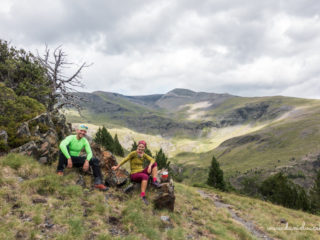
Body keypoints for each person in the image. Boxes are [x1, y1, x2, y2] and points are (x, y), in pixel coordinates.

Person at [57, 124, 108, 191]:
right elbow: (62, 145)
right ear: (77, 130)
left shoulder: (84, 140)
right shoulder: (71, 137)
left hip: (75, 160)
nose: (83, 133)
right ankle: (60, 171)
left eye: (84, 131)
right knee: (64, 149)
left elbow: (90, 153)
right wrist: (69, 158)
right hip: (66, 159)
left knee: (95, 160)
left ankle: (98, 183)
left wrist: (87, 161)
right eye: (81, 130)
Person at [112, 140, 161, 205]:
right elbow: (125, 159)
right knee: (145, 176)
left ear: (144, 148)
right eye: (139, 146)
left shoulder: (144, 155)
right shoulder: (133, 153)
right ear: (137, 146)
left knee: (154, 163)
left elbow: (152, 159)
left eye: (142, 147)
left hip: (141, 171)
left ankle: (154, 181)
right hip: (134, 174)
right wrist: (117, 167)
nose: (141, 148)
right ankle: (142, 196)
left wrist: (149, 166)